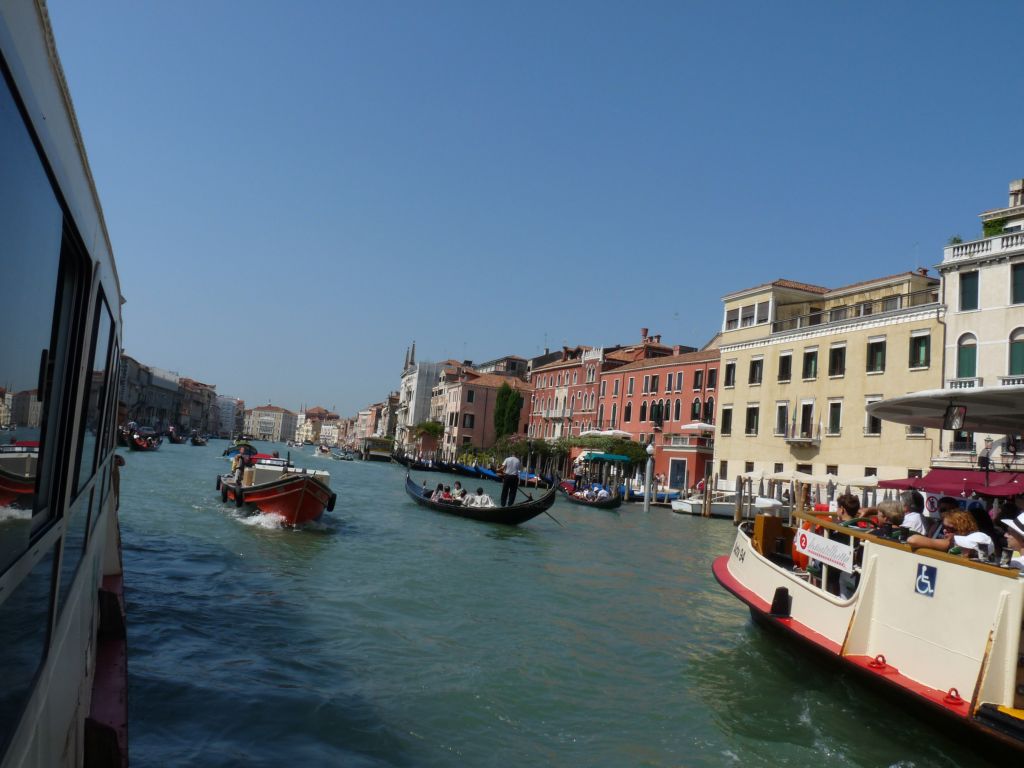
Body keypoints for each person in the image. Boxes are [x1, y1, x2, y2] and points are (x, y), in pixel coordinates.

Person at [906, 510, 994, 557]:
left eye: (950, 528)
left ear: (963, 527)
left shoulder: (976, 538)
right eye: (944, 527)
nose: (945, 531)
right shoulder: (953, 541)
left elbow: (913, 540)